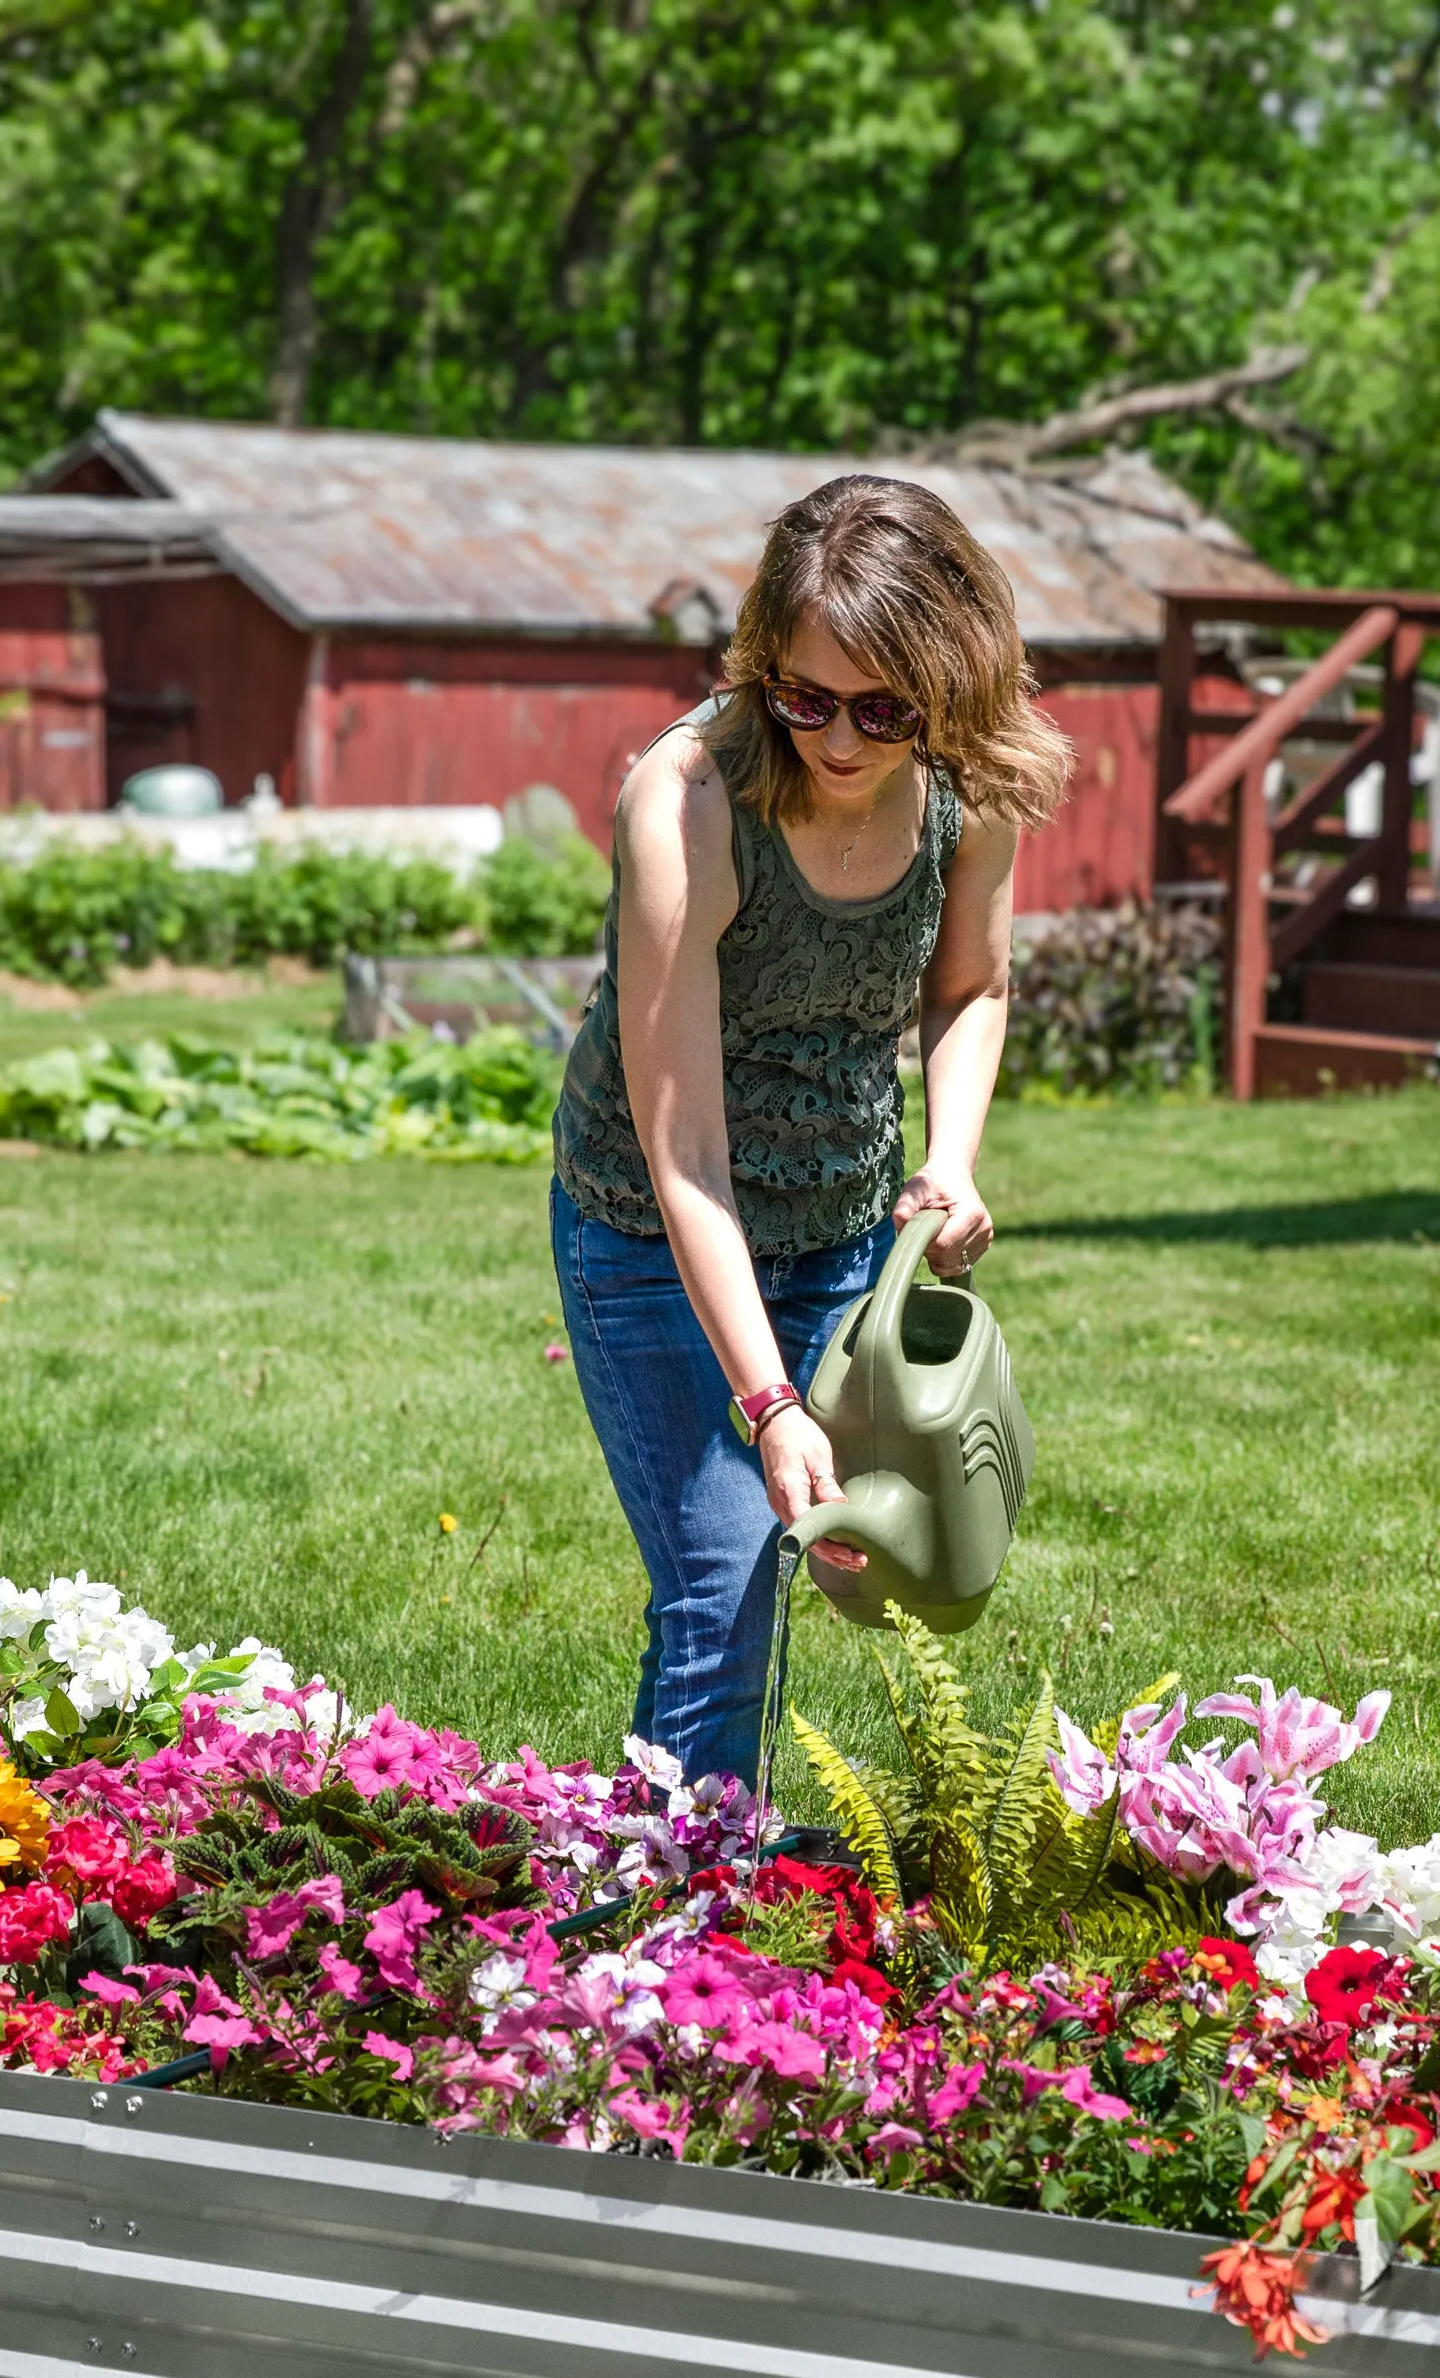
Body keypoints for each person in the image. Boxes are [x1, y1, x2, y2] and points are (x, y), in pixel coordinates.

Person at [550, 472, 1072, 1786]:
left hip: (844, 1219)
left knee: (862, 1559)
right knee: (724, 1575)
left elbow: (970, 986)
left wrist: (949, 1159)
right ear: (762, 662)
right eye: (805, 696)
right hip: (650, 1226)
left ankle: (749, 1910)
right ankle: (657, 1942)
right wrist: (771, 1400)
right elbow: (686, 1155)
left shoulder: (968, 786)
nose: (839, 741)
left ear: (946, 692)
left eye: (885, 710)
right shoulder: (691, 803)